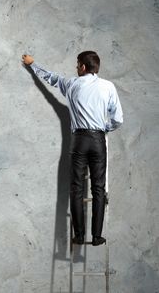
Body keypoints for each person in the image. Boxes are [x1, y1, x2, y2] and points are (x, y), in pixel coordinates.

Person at [21, 52, 123, 246]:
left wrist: (32, 64)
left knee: (76, 188)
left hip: (79, 141)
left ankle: (78, 235)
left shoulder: (72, 84)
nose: (76, 68)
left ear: (83, 67)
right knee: (99, 189)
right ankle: (97, 236)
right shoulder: (108, 87)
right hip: (98, 139)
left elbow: (50, 78)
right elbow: (118, 119)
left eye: (77, 65)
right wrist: (103, 129)